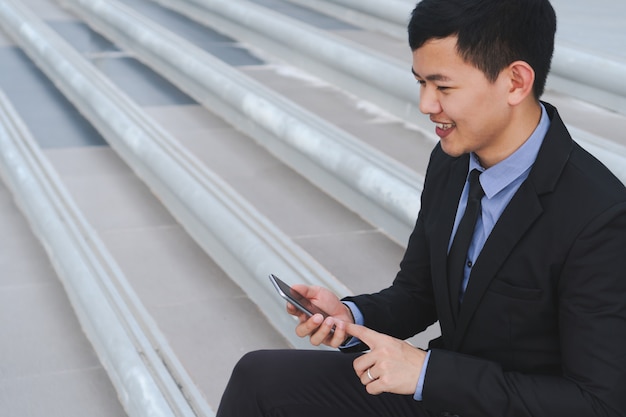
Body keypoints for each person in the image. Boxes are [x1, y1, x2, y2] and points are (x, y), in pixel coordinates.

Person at [216, 0, 626, 415]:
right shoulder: (450, 160)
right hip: (443, 395)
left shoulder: (599, 216)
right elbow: (417, 293)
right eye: (421, 83)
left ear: (516, 82)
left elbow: (597, 404)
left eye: (443, 87)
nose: (427, 104)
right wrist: (348, 314)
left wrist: (428, 373)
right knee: (259, 378)